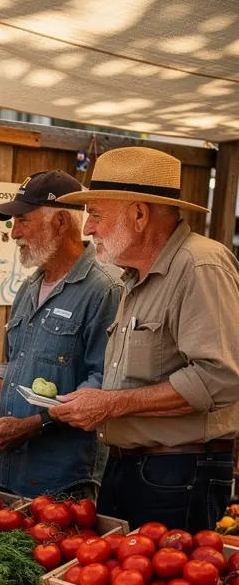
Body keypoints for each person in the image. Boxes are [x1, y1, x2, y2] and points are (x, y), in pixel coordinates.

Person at [52, 147, 239, 531]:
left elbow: (220, 378)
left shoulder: (200, 265)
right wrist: (98, 402)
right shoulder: (134, 276)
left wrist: (111, 404)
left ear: (139, 215)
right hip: (133, 468)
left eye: (96, 215)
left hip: (178, 473)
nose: (87, 229)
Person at [0, 171, 120, 499]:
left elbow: (103, 386)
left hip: (65, 483)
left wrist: (31, 426)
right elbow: (12, 367)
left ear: (61, 222)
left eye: (23, 220)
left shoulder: (104, 289)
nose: (14, 233)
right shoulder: (28, 288)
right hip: (8, 472)